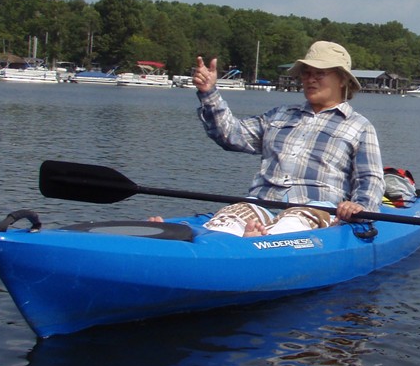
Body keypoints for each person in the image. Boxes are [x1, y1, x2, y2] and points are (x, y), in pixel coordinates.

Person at [151, 41, 385, 237]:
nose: (310, 79)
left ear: (342, 80)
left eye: (320, 74)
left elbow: (370, 179)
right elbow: (230, 135)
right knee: (228, 220)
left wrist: (360, 206)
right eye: (306, 73)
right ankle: (183, 237)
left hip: (314, 208)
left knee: (292, 223)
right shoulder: (279, 115)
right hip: (260, 202)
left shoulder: (359, 126)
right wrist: (208, 93)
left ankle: (259, 241)